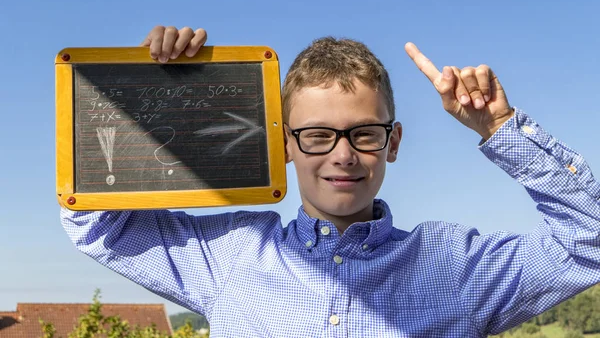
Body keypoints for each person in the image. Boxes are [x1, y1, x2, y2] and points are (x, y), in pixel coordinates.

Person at [61, 25, 600, 337]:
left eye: (364, 133)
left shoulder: (457, 266)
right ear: (285, 145)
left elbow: (590, 241)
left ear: (392, 142)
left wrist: (501, 129)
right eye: (318, 135)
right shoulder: (227, 256)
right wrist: (148, 89)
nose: (343, 156)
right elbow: (94, 223)